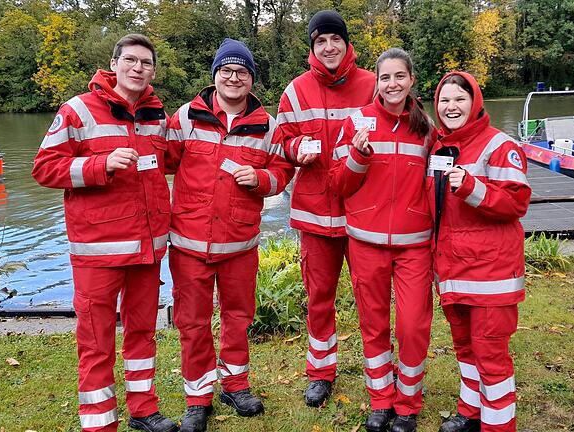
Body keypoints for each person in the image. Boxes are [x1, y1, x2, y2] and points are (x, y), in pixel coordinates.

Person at [32, 34, 177, 432]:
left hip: (147, 249)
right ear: (113, 64)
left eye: (146, 63)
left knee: (143, 333)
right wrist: (100, 165)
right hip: (97, 250)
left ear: (153, 71)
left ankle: (144, 411)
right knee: (96, 342)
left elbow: (171, 163)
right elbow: (44, 168)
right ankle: (99, 423)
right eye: (130, 60)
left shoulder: (157, 116)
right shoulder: (78, 110)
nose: (137, 68)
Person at [165, 38, 294, 432]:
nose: (233, 77)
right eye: (226, 70)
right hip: (188, 243)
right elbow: (161, 165)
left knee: (238, 317)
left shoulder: (267, 126)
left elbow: (282, 176)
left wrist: (259, 179)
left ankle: (235, 384)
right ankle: (198, 396)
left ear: (251, 80)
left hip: (240, 245)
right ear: (215, 76)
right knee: (193, 321)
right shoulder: (185, 118)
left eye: (242, 72)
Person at [275, 9, 375, 407]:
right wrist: (295, 148)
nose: (329, 47)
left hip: (364, 214)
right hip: (315, 216)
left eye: (336, 39)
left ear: (347, 44)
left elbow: (398, 132)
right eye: (321, 41)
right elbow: (281, 143)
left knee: (370, 297)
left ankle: (378, 370)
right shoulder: (295, 91)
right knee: (319, 297)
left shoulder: (372, 85)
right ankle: (321, 372)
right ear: (313, 47)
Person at [331, 47, 434, 432]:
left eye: (399, 77)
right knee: (373, 325)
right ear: (377, 81)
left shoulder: (427, 129)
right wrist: (357, 156)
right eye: (385, 77)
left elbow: (435, 189)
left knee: (412, 325)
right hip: (365, 241)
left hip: (414, 244)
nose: (392, 84)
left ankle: (408, 403)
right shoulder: (356, 121)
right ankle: (381, 399)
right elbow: (337, 183)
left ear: (411, 80)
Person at [429, 71, 531, 432]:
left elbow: (517, 202)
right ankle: (470, 412)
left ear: (475, 102)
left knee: (491, 356)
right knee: (465, 349)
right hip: (453, 271)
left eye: (459, 99)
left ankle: (498, 426)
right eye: (444, 100)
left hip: (491, 274)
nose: (451, 107)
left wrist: (472, 187)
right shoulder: (439, 148)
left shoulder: (498, 145)